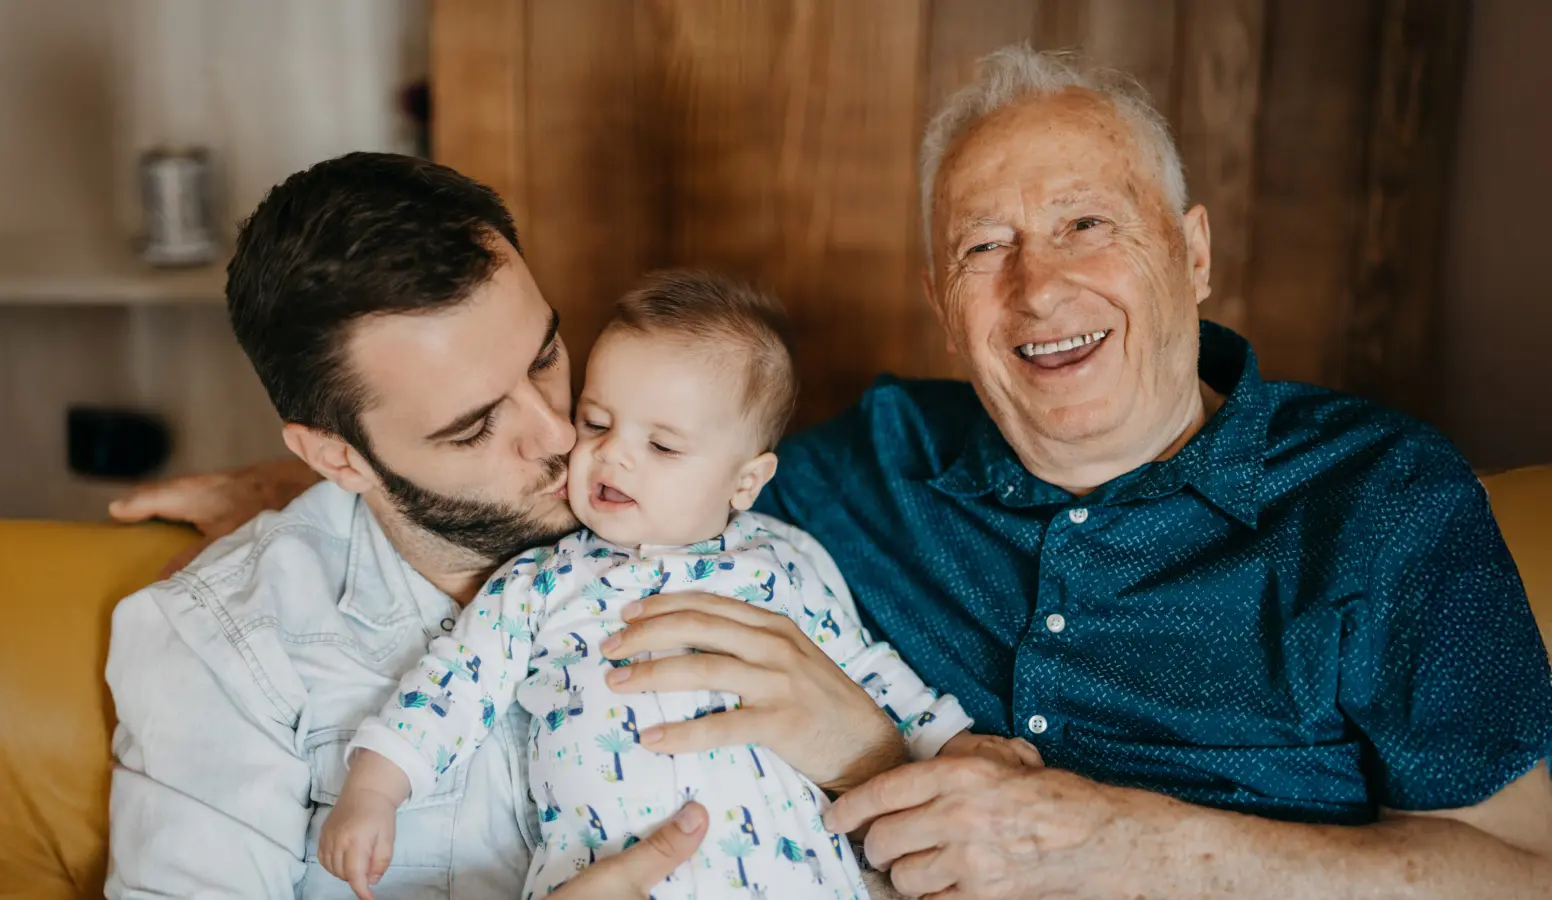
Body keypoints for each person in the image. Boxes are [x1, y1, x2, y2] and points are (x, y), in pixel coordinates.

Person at [112, 46, 1552, 898]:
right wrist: (292, 496)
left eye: (1090, 225)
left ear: (1194, 250)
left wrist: (1116, 841)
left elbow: (1525, 868)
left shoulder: (1382, 504)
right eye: (985, 247)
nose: (1039, 286)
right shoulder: (879, 464)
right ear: (941, 304)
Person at [317, 272, 984, 900]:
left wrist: (956, 749)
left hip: (792, 876)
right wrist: (375, 790)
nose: (615, 455)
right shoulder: (538, 582)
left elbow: (868, 672)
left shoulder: (782, 565)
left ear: (745, 482)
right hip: (606, 875)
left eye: (663, 447)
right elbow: (455, 681)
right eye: (597, 422)